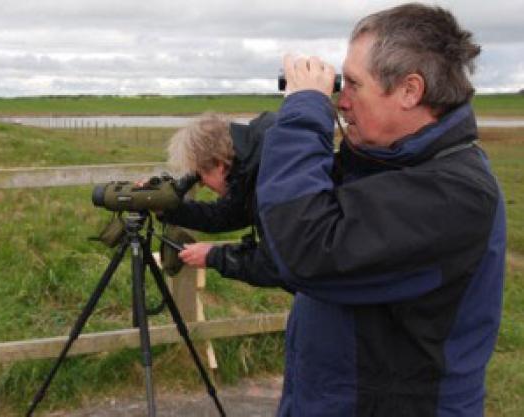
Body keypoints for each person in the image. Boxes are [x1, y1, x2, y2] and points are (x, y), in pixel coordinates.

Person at [256, 3, 506, 417]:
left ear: (410, 90)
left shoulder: (457, 194)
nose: (341, 101)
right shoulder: (386, 161)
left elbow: (305, 250)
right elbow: (283, 224)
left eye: (353, 84)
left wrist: (303, 114)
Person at [159, 111, 291, 289]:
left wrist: (212, 256)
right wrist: (167, 207)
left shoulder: (272, 178)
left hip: (325, 288)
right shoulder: (250, 168)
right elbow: (226, 214)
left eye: (201, 174)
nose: (202, 185)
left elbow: (278, 265)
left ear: (219, 164)